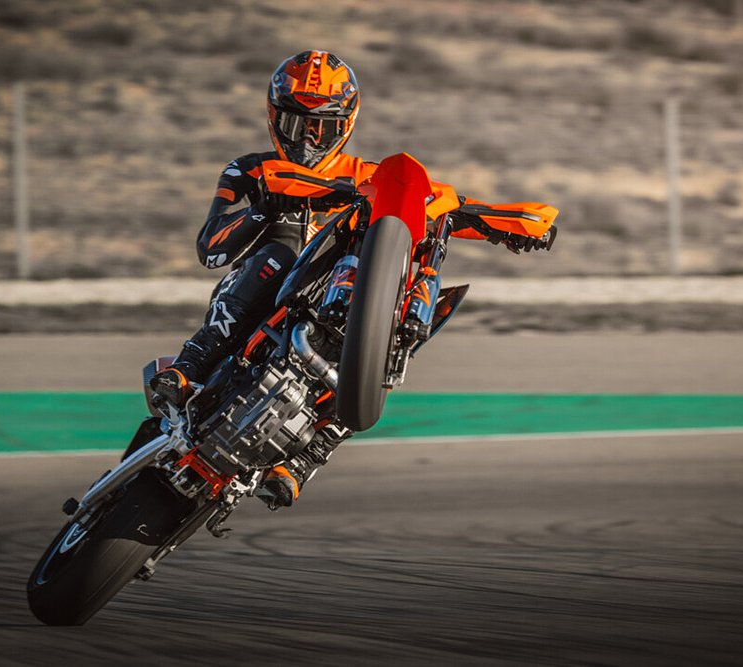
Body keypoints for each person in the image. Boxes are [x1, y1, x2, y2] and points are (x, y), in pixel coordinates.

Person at [150, 50, 550, 509]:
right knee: (280, 253)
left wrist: (507, 223)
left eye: (325, 126)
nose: (310, 139)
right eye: (299, 124)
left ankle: (309, 453)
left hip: (335, 295)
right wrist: (266, 206)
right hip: (262, 289)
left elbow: (438, 205)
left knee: (399, 320)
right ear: (274, 117)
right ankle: (190, 365)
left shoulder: (371, 177)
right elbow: (212, 248)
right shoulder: (250, 170)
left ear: (348, 123)